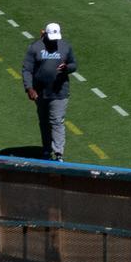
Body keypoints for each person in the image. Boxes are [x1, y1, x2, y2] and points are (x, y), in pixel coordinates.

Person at [22, 22, 77, 161]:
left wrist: (67, 68)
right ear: (45, 34)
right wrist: (29, 88)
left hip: (59, 92)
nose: (54, 41)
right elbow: (27, 69)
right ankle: (46, 150)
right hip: (40, 92)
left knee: (57, 121)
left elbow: (74, 64)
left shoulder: (65, 46)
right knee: (44, 122)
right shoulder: (35, 48)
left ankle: (58, 153)